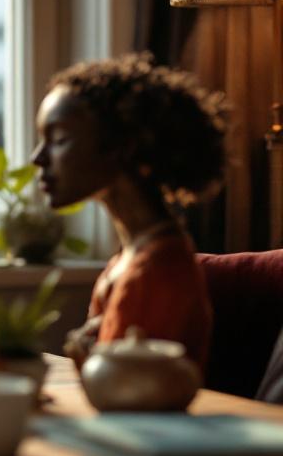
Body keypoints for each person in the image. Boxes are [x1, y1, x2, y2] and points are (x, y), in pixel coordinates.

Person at [31, 54, 229, 370]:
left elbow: (127, 393)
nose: (37, 158)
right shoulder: (126, 261)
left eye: (59, 140)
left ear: (120, 146)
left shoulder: (158, 271)